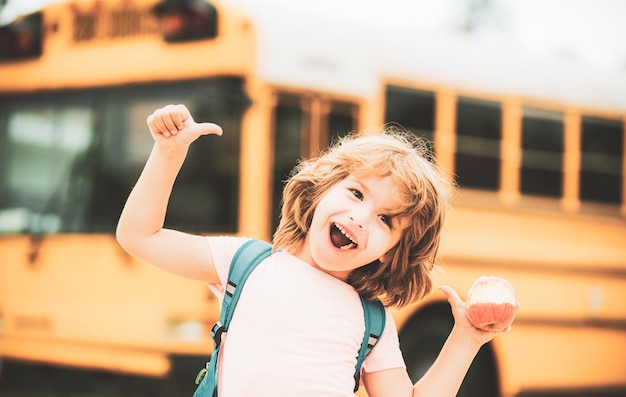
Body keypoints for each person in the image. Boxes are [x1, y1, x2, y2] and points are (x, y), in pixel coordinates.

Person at [116, 104, 511, 397]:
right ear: (320, 190)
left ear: (393, 251)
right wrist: (168, 154)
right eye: (356, 193)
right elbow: (139, 236)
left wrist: (467, 338)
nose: (360, 217)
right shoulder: (247, 264)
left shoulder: (371, 319)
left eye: (386, 220)